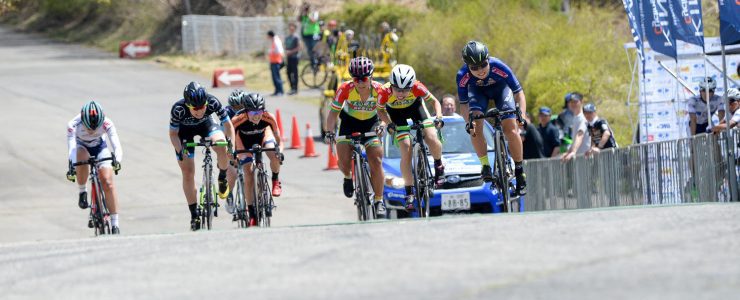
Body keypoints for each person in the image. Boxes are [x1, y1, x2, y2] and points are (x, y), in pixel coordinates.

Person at [456, 40, 528, 195]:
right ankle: (485, 165)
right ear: (468, 66)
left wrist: (521, 114)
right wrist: (468, 123)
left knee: (511, 128)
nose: (480, 70)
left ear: (488, 60)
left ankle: (519, 170)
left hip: (501, 90)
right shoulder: (462, 76)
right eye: (474, 68)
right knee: (475, 127)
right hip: (478, 93)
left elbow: (518, 92)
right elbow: (463, 104)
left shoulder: (499, 66)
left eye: (483, 64)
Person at [324, 57, 387, 217]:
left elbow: (388, 113)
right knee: (344, 159)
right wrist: (329, 132)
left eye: (364, 78)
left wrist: (383, 125)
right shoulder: (345, 88)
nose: (360, 82)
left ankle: (379, 201)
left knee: (376, 159)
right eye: (356, 79)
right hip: (349, 123)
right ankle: (347, 176)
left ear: (371, 76)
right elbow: (333, 114)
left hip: (371, 123)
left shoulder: (380, 89)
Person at [377, 64, 445, 211]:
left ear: (411, 85)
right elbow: (380, 111)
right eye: (397, 90)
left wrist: (438, 117)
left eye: (405, 90)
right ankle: (409, 192)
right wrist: (389, 124)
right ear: (391, 86)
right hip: (396, 115)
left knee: (431, 136)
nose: (401, 94)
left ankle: (439, 165)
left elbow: (435, 102)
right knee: (406, 149)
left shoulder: (417, 87)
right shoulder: (384, 91)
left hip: (416, 109)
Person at [169, 81, 235, 230]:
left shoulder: (212, 102)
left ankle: (222, 177)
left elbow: (228, 126)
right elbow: (173, 134)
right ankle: (194, 214)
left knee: (221, 144)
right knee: (187, 172)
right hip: (184, 133)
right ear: (188, 105)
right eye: (195, 108)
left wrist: (231, 146)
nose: (199, 111)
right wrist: (180, 151)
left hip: (207, 126)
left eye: (202, 106)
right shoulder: (178, 109)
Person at [66, 101, 123, 234]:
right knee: (81, 157)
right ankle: (82, 191)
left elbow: (116, 145)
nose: (92, 131)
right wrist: (73, 165)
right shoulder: (72, 125)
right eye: (88, 128)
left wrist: (117, 160)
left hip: (99, 147)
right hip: (81, 147)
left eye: (95, 128)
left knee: (108, 182)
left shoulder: (107, 123)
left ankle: (115, 224)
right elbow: (72, 149)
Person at [230, 93, 284, 226]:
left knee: (274, 153)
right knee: (248, 174)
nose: (257, 115)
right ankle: (252, 214)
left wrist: (280, 152)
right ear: (246, 111)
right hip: (243, 141)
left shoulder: (268, 117)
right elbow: (230, 143)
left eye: (259, 111)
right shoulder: (237, 120)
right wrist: (232, 155)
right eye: (253, 111)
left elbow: (279, 140)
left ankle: (275, 180)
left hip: (263, 136)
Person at [561, 92, 591, 161]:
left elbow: (580, 135)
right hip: (580, 159)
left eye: (575, 102)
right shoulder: (575, 118)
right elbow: (574, 140)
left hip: (587, 158)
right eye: (571, 102)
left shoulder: (583, 117)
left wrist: (573, 152)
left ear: (581, 102)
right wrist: (568, 152)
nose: (573, 104)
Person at [284, 23, 302, 96]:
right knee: (288, 72)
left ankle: (295, 89)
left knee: (295, 73)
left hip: (294, 57)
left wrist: (291, 52)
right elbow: (285, 46)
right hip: (288, 58)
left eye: (292, 28)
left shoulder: (296, 37)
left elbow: (299, 47)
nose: (291, 29)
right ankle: (292, 87)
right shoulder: (287, 37)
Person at [267, 30, 284, 96]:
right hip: (273, 61)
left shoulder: (276, 41)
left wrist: (271, 51)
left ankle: (280, 91)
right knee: (274, 77)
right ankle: (277, 90)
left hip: (276, 61)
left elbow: (279, 51)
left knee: (277, 77)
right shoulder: (274, 40)